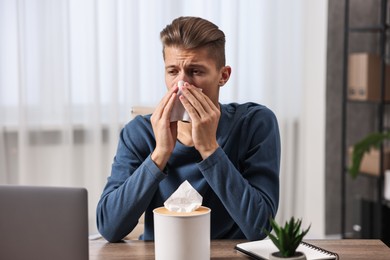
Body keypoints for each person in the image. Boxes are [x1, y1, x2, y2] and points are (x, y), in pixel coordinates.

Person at [96, 16, 280, 242]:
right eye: (173, 71)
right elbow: (109, 228)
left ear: (223, 76)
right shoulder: (139, 133)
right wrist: (160, 153)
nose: (181, 85)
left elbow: (260, 228)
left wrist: (210, 149)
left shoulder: (255, 124)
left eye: (195, 71)